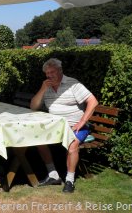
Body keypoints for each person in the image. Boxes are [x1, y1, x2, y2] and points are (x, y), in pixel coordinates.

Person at [30, 58, 98, 193]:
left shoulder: (73, 84)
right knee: (38, 139)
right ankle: (53, 174)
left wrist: (82, 122)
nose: (49, 75)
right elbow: (33, 106)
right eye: (47, 73)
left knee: (72, 145)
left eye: (52, 72)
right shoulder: (47, 87)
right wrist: (43, 88)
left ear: (60, 71)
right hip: (56, 127)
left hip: (76, 127)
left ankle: (69, 180)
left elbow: (93, 101)